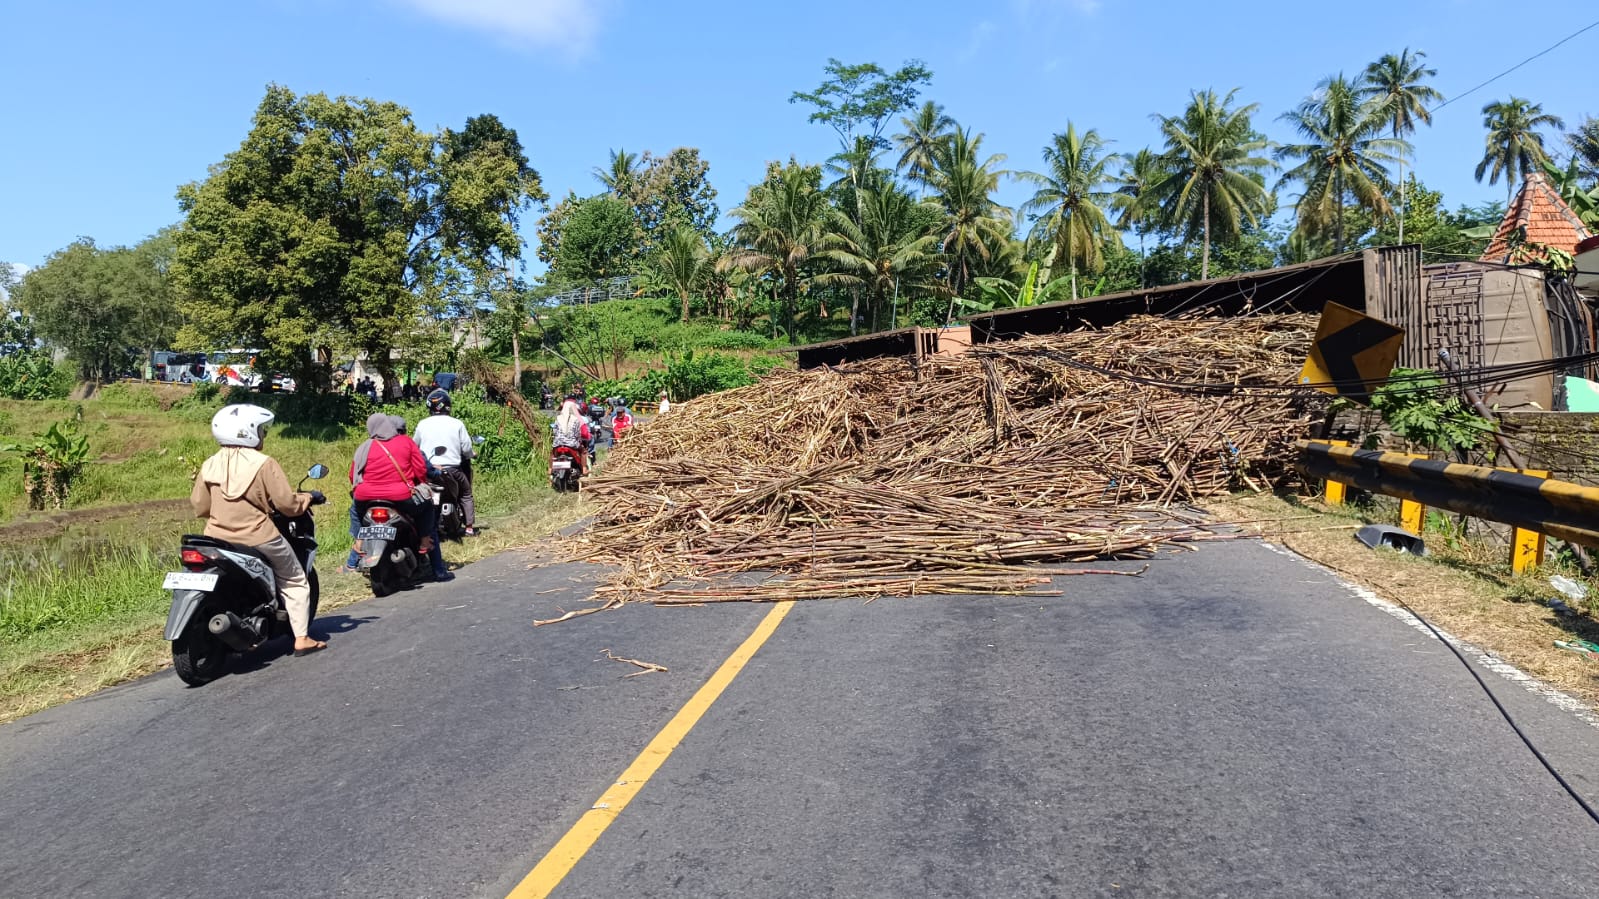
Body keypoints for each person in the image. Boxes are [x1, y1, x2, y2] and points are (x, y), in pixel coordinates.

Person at [190, 404, 328, 655]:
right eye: (261, 429)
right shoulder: (264, 463)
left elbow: (200, 506)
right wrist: (307, 498)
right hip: (259, 537)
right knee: (294, 579)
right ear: (249, 431)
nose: (264, 434)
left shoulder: (210, 463)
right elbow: (287, 505)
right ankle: (302, 638)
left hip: (216, 540)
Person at [350, 412, 452, 582]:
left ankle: (359, 540)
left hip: (365, 498)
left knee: (354, 510)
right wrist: (419, 482)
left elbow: (352, 474)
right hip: (401, 496)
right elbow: (420, 469)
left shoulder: (365, 446)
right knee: (427, 507)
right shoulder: (406, 442)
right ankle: (426, 544)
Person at [413, 389, 478, 536]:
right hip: (453, 470)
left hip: (429, 471)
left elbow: (414, 446)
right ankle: (469, 528)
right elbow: (466, 448)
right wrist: (471, 454)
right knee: (465, 493)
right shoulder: (457, 423)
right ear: (448, 406)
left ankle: (428, 527)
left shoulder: (422, 424)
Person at [552, 399, 592, 473]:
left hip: (558, 443)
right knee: (583, 452)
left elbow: (555, 431)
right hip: (571, 443)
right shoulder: (575, 419)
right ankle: (584, 469)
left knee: (552, 454)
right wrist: (580, 441)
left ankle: (549, 470)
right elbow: (577, 434)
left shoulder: (558, 418)